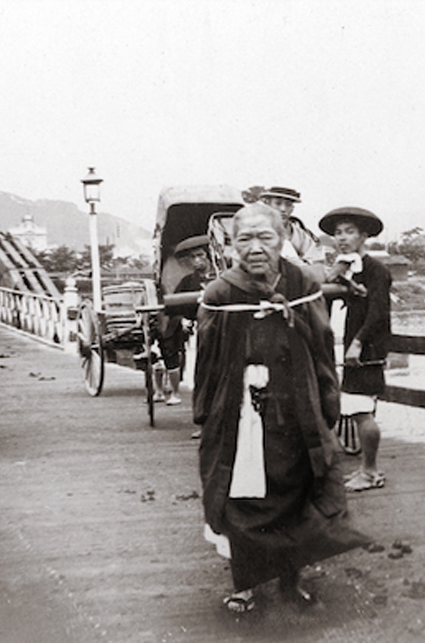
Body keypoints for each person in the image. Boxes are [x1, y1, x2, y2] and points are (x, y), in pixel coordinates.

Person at [193, 202, 370, 613]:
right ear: (232, 244)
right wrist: (206, 415)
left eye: (265, 237)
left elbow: (323, 348)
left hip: (295, 408)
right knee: (242, 496)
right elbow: (207, 361)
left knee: (295, 490)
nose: (255, 248)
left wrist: (328, 402)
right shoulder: (220, 293)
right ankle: (245, 584)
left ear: (283, 239)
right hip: (241, 412)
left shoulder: (303, 283)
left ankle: (292, 579)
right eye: (244, 239)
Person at [318, 207, 392, 493]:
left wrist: (358, 343)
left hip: (366, 347)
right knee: (357, 406)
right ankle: (366, 469)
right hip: (352, 345)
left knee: (362, 411)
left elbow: (379, 313)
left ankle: (371, 471)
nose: (342, 238)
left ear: (363, 236)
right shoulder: (347, 268)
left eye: (349, 232)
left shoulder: (376, 270)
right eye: (337, 233)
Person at [156, 235, 211, 406]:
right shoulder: (188, 281)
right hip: (195, 327)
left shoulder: (221, 277)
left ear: (209, 256)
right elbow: (175, 307)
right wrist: (183, 320)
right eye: (193, 257)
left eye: (200, 255)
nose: (197, 260)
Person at [257, 186, 327, 268]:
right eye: (278, 203)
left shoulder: (301, 233)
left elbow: (316, 259)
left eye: (288, 205)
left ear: (292, 209)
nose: (283, 209)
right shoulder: (255, 229)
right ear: (268, 205)